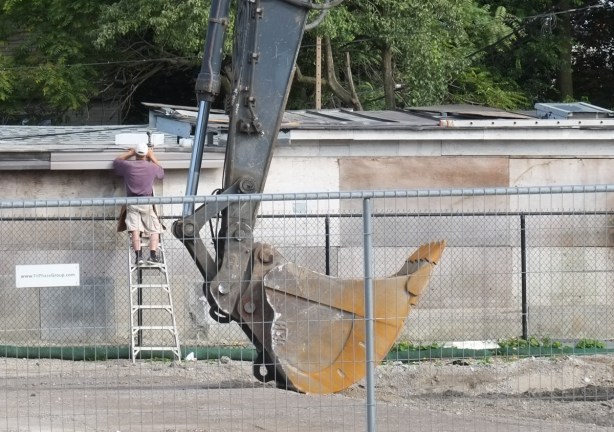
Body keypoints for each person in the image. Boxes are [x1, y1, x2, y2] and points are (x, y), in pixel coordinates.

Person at [113, 141, 165, 265]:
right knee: (155, 228)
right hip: (146, 201)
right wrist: (152, 156)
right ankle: (152, 256)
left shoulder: (128, 166)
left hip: (131, 201)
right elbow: (162, 173)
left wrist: (130, 153)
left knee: (134, 229)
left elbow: (116, 162)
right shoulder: (152, 167)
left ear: (136, 153)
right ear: (146, 154)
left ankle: (139, 257)